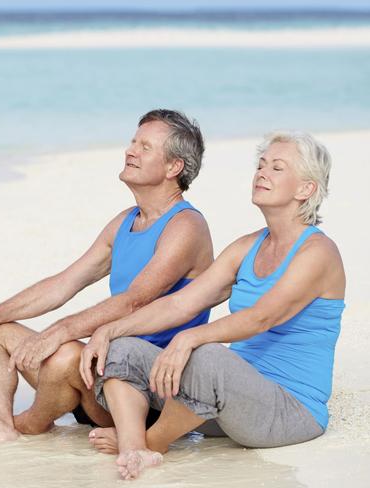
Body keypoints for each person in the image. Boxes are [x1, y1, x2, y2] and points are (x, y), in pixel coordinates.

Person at [0, 109, 214, 448]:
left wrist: (59, 332)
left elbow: (134, 301)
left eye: (145, 147)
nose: (130, 151)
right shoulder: (125, 221)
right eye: (132, 142)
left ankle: (33, 421)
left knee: (64, 355)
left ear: (173, 167)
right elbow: (64, 283)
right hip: (98, 369)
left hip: (142, 391)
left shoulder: (186, 226)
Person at [80, 131, 345, 480]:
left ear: (305, 189)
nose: (262, 173)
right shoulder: (247, 247)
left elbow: (262, 317)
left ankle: (152, 441)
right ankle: (132, 448)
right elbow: (180, 304)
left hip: (287, 413)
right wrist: (110, 329)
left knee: (205, 353)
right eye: (261, 165)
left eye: (277, 168)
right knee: (124, 348)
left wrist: (189, 339)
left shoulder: (318, 253)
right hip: (223, 408)